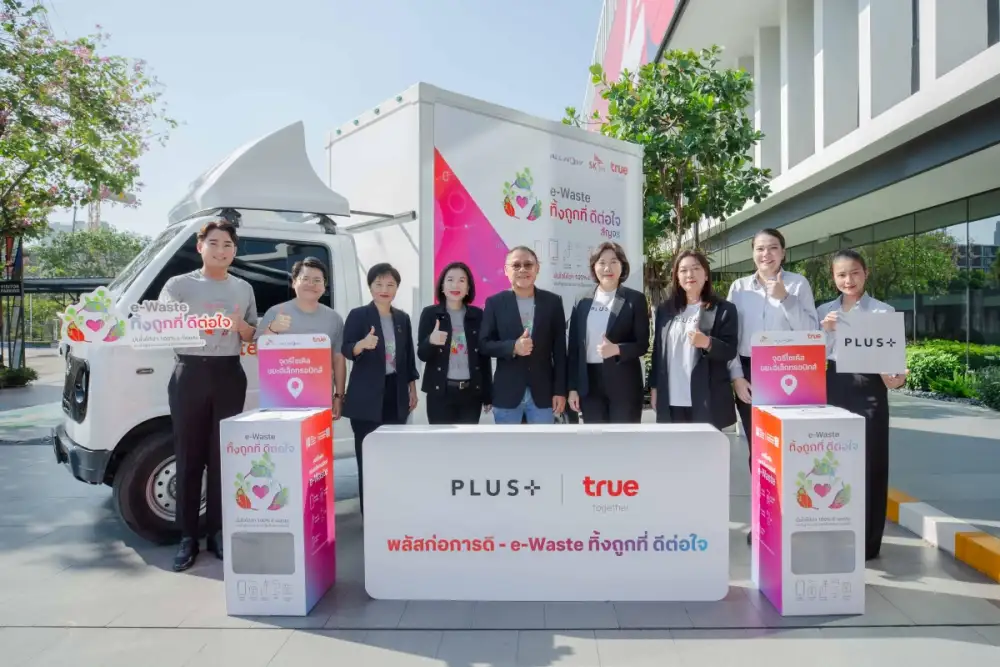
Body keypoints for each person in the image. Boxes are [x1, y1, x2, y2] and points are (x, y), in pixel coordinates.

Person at [160, 219, 258, 572]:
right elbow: (161, 326)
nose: (221, 250)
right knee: (189, 456)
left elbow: (251, 335)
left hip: (229, 373)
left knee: (222, 457)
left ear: (234, 250)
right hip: (189, 372)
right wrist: (199, 324)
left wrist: (240, 326)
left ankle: (217, 531)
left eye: (228, 245)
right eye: (214, 243)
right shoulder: (178, 285)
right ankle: (187, 536)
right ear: (200, 246)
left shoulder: (243, 288)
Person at [726, 228, 818, 544]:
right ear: (753, 253)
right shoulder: (739, 288)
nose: (766, 254)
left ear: (783, 252)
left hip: (788, 368)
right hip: (749, 371)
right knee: (759, 450)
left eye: (773, 248)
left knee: (788, 448)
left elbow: (811, 332)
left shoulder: (798, 284)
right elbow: (731, 337)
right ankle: (764, 520)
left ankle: (792, 519)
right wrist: (736, 376)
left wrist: (785, 300)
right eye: (761, 248)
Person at [818, 249, 906, 561]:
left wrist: (895, 377)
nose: (849, 280)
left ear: (865, 273)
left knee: (872, 462)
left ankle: (869, 542)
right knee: (833, 464)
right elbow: (813, 356)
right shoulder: (823, 312)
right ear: (833, 278)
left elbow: (895, 367)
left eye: (854, 272)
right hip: (833, 387)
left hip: (870, 389)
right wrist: (826, 331)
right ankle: (834, 534)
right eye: (841, 274)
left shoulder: (883, 312)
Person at [341, 263, 419, 515]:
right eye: (379, 284)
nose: (384, 289)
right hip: (366, 397)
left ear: (396, 288)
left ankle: (392, 511)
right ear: (370, 287)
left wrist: (412, 389)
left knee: (392, 457)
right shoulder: (358, 315)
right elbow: (346, 349)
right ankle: (370, 515)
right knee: (368, 458)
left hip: (395, 393)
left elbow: (408, 358)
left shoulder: (402, 318)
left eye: (390, 284)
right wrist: (362, 344)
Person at [649, 250, 739, 429]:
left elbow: (730, 350)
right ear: (677, 277)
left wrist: (708, 343)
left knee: (707, 447)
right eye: (683, 270)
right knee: (675, 446)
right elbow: (658, 352)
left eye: (696, 268)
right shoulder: (665, 310)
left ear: (706, 275)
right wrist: (654, 387)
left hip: (707, 398)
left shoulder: (723, 309)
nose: (689, 274)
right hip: (672, 398)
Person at [480, 245, 567, 424]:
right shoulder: (495, 303)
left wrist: (560, 391)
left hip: (543, 394)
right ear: (506, 270)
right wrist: (513, 347)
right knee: (508, 443)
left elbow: (559, 351)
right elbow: (484, 344)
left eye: (528, 265)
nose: (522, 270)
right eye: (516, 265)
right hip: (507, 394)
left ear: (537, 268)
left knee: (542, 443)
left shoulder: (553, 302)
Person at [566, 242, 649, 423]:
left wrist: (617, 349)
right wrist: (572, 388)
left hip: (624, 382)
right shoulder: (582, 300)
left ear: (622, 266)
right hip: (590, 384)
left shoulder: (635, 299)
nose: (607, 268)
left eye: (613, 262)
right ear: (594, 267)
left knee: (623, 437)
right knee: (596, 437)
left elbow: (642, 344)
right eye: (601, 262)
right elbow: (574, 349)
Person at [256, 257, 346, 418]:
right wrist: (272, 329)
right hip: (280, 398)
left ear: (324, 286)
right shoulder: (275, 312)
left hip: (320, 398)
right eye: (305, 279)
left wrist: (339, 396)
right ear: (294, 282)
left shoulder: (334, 319)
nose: (311, 284)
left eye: (317, 280)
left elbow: (338, 359)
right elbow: (259, 352)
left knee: (318, 434)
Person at [417, 262, 493, 424]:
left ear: (468, 288)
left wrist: (488, 394)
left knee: (467, 440)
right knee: (441, 439)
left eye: (461, 280)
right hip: (440, 393)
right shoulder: (430, 314)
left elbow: (484, 358)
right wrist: (431, 341)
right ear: (442, 286)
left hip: (471, 394)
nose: (455, 285)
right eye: (450, 280)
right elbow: (422, 354)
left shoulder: (478, 315)